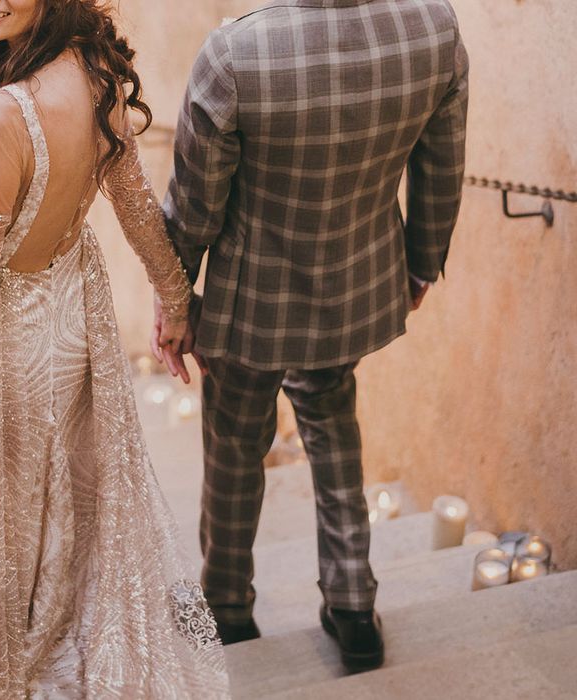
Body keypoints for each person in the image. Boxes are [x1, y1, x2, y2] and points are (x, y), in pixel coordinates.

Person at [0, 1, 230, 697]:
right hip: (73, 325)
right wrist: (175, 301)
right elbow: (131, 196)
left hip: (8, 349)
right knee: (56, 508)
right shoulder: (95, 70)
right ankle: (51, 637)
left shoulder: (6, 112)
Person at [157, 0, 469, 673]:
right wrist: (420, 262)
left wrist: (174, 298)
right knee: (332, 420)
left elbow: (194, 202)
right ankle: (353, 603)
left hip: (249, 304)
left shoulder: (235, 52)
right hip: (355, 288)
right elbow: (441, 168)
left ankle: (228, 608)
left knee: (236, 445)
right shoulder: (432, 27)